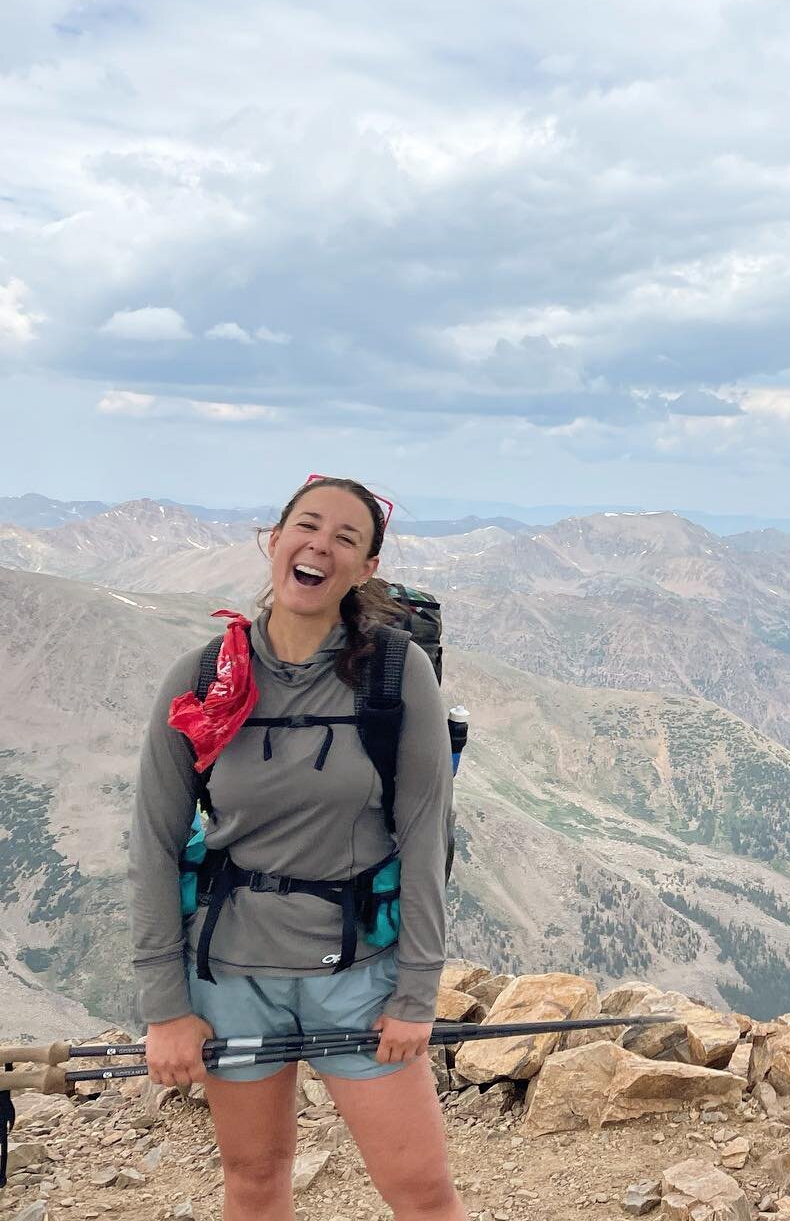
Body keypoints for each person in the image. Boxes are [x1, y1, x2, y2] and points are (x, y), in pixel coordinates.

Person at [128, 477, 463, 1221]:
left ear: (366, 567)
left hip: (360, 976)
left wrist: (416, 993)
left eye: (347, 537)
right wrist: (165, 1007)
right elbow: (152, 843)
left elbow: (424, 835)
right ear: (273, 541)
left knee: (422, 1191)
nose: (321, 545)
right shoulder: (199, 677)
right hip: (229, 976)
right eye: (306, 527)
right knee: (254, 1179)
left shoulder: (396, 674)